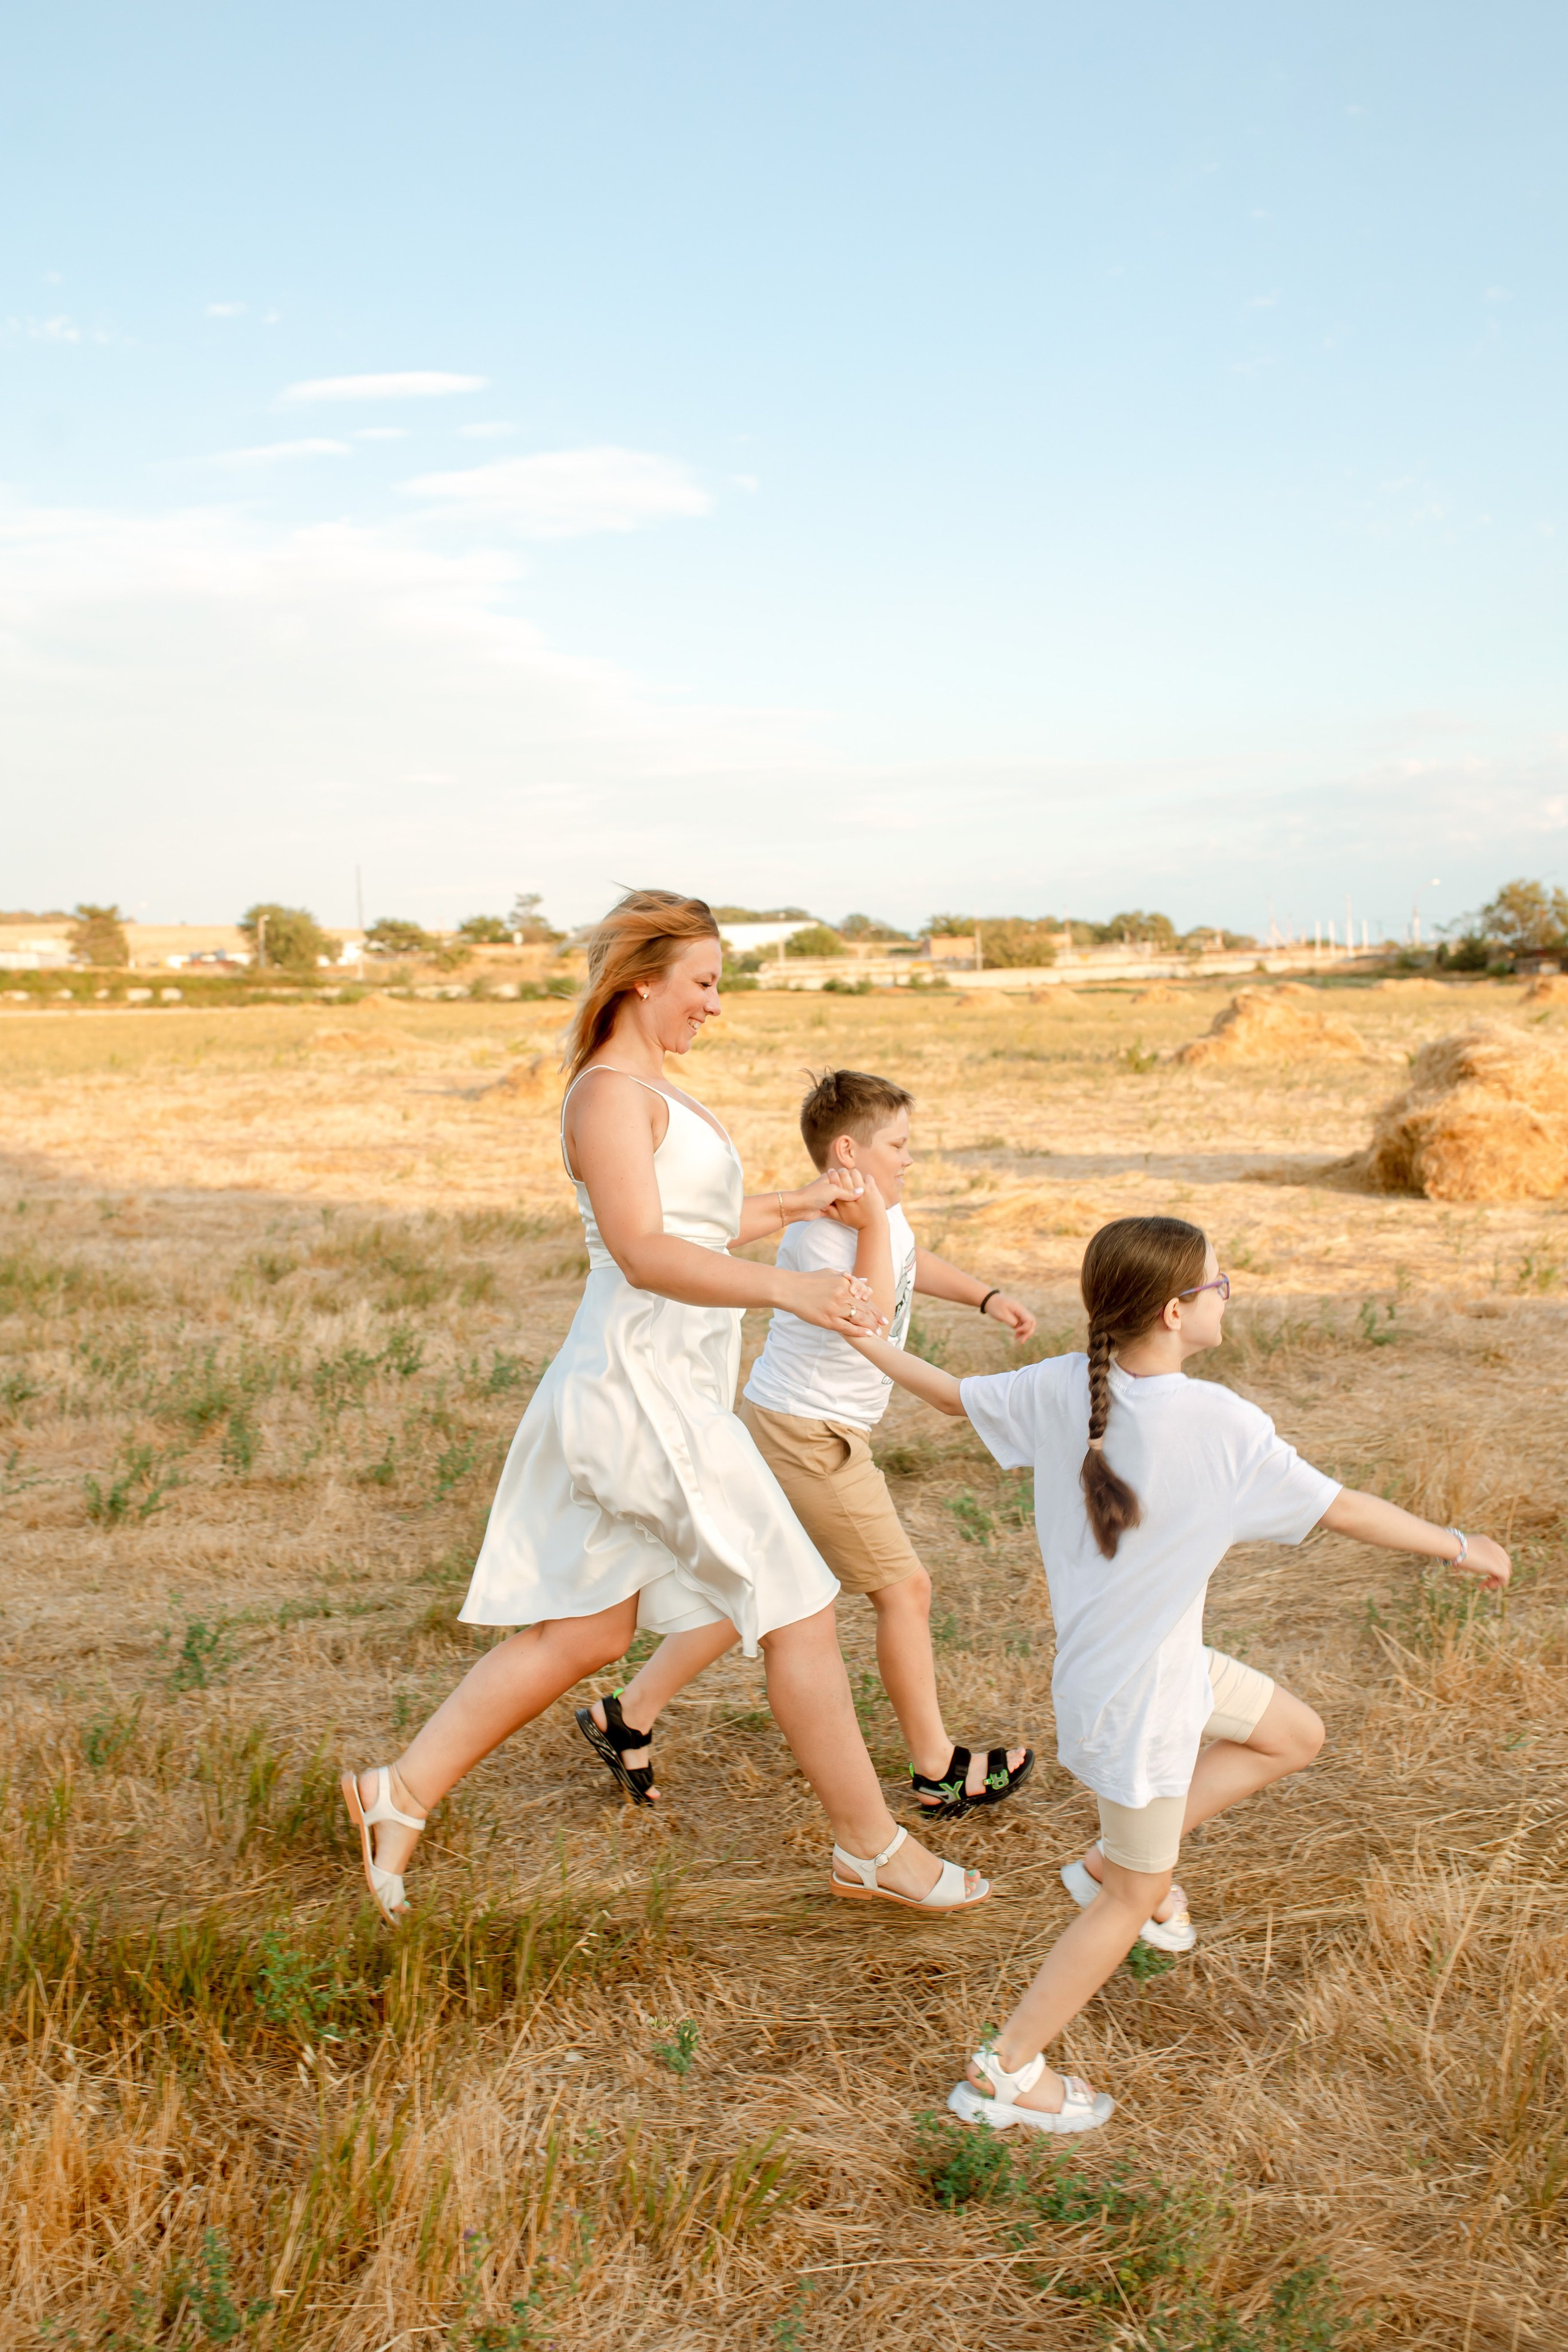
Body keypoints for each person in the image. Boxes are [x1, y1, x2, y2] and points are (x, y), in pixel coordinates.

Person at [340, 890, 989, 1924]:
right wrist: (793, 1285)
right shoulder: (607, 1095)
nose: (715, 1006)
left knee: (586, 1636)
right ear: (643, 979)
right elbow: (642, 1250)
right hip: (637, 1395)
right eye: (703, 983)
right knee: (802, 1608)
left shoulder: (652, 1088)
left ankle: (398, 1791)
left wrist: (792, 1208)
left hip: (670, 1389)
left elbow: (693, 1220)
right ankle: (872, 1848)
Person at [844, 1213, 1510, 2134]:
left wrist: (871, 1342)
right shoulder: (1219, 1424)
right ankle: (1006, 2070)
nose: (1229, 1291)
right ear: (1171, 1312)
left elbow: (955, 1397)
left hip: (1142, 1669)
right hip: (1142, 1703)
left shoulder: (1066, 1387)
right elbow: (1343, 1509)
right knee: (1136, 1896)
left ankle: (1103, 1863)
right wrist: (1461, 1545)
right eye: (1217, 1283)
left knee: (1293, 1736)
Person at [575, 1068, 1038, 1818]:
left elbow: (910, 1267)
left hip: (791, 1421)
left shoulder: (874, 1215)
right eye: (900, 1144)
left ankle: (626, 1714)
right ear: (849, 1150)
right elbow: (875, 1317)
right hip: (810, 1434)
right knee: (905, 1590)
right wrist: (877, 1228)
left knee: (761, 1585)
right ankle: (937, 1767)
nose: (910, 1159)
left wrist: (984, 1296)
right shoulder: (828, 1232)